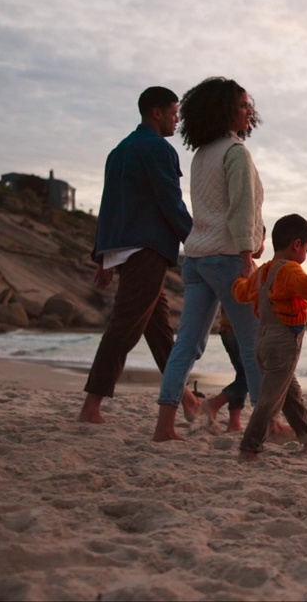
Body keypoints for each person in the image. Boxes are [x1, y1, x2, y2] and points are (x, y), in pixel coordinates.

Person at [152, 77, 267, 442]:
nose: (249, 111)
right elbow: (241, 209)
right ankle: (267, 425)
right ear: (227, 111)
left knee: (186, 344)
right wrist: (249, 254)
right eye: (244, 105)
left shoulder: (202, 155)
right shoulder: (235, 153)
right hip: (227, 257)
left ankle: (165, 425)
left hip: (196, 257)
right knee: (253, 346)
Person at [78, 86, 197, 424]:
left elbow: (109, 206)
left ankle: (186, 398)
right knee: (125, 327)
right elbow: (170, 201)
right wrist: (196, 240)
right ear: (156, 113)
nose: (177, 120)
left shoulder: (119, 151)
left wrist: (103, 258)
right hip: (147, 249)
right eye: (174, 113)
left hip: (124, 248)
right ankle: (91, 406)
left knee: (158, 328)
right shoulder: (158, 149)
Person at [234, 214, 307, 459]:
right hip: (283, 342)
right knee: (270, 400)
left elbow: (241, 293)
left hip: (263, 339)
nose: (306, 255)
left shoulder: (262, 272)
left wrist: (238, 281)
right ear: (296, 245)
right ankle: (250, 446)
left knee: (289, 390)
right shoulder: (290, 271)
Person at [197, 308, 248, 432]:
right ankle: (214, 403)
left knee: (243, 375)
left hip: (228, 329)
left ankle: (234, 423)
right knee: (253, 376)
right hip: (242, 331)